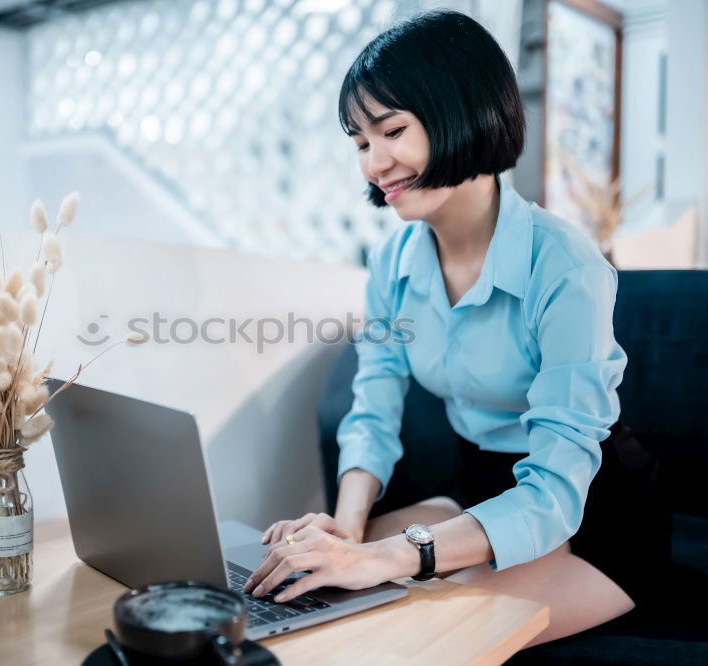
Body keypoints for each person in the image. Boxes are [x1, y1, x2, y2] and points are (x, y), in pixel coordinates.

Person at [242, 9, 671, 647]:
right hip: (475, 495)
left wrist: (389, 556)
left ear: (462, 112)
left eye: (392, 131)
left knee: (412, 640)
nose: (374, 163)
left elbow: (554, 490)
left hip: (587, 515)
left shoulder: (565, 265)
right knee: (310, 587)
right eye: (361, 142)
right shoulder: (392, 263)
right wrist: (347, 525)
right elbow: (375, 404)